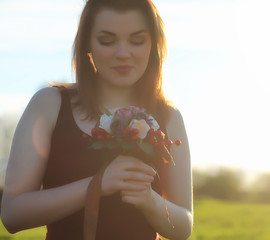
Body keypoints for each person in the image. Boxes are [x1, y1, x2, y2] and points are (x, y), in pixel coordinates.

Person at [0, 0, 193, 239]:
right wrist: (97, 185)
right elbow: (12, 214)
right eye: (107, 41)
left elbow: (184, 226)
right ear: (87, 45)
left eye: (137, 40)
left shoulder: (169, 117)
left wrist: (150, 201)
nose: (123, 53)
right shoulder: (49, 104)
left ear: (154, 44)